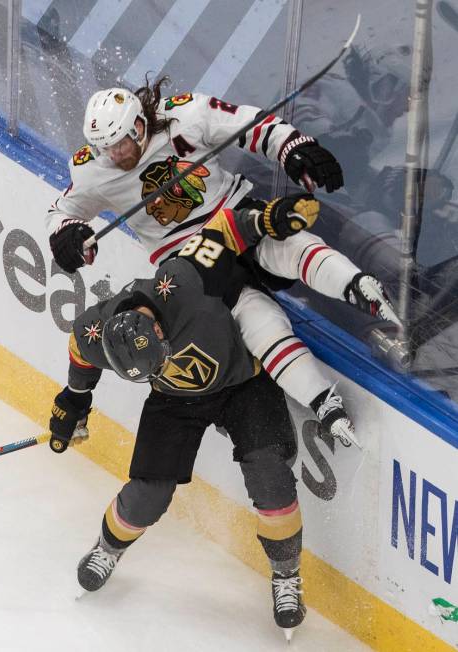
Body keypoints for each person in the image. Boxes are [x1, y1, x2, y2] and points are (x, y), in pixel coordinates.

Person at [47, 197, 398, 639]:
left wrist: (268, 216)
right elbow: (80, 352)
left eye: (162, 356)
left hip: (243, 382)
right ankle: (107, 547)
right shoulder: (99, 329)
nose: (166, 360)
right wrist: (75, 400)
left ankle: (286, 576)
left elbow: (225, 227)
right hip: (175, 400)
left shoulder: (187, 280)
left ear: (157, 328)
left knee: (271, 479)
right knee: (146, 496)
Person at [45, 78, 396, 447]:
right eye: (104, 148)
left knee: (289, 247)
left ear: (138, 125)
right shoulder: (93, 169)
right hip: (188, 262)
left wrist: (293, 146)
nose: (113, 155)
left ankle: (358, 287)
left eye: (118, 144)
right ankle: (323, 401)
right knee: (257, 320)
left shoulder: (186, 114)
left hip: (235, 212)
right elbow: (61, 211)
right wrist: (66, 233)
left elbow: (251, 125)